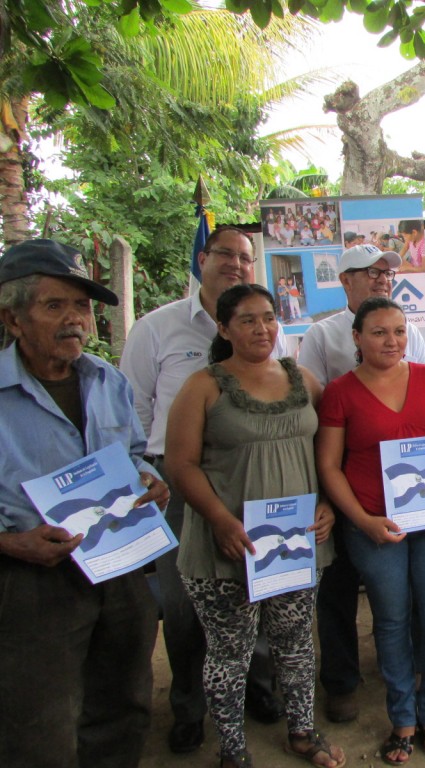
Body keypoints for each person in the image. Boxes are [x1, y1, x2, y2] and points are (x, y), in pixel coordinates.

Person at [0, 238, 170, 768]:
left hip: (120, 568)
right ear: (13, 319)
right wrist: (11, 542)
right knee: (38, 721)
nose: (75, 319)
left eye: (81, 306)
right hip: (34, 579)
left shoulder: (107, 381)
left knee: (124, 702)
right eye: (55, 306)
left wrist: (149, 480)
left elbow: (136, 456)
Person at [164, 284, 344, 768]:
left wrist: (328, 501)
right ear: (224, 328)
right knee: (230, 654)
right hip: (227, 545)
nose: (261, 328)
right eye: (247, 320)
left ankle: (302, 733)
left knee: (295, 644)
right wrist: (221, 520)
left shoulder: (303, 379)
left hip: (295, 544)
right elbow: (180, 465)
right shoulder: (204, 386)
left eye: (268, 317)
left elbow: (330, 452)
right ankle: (232, 750)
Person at [121, 226, 285, 753]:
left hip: (253, 479)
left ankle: (258, 690)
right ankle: (190, 706)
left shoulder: (267, 331)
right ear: (201, 258)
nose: (236, 263)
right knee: (187, 602)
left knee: (257, 589)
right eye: (225, 254)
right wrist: (152, 465)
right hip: (178, 486)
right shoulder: (157, 328)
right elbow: (133, 410)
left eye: (245, 256)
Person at [317, 297, 425, 765]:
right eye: (379, 332)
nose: (392, 340)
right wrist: (362, 522)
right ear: (357, 339)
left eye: (399, 330)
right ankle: (403, 719)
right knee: (393, 621)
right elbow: (328, 466)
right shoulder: (341, 391)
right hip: (375, 525)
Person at [298, 244, 425, 724]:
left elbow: (422, 403)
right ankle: (341, 683)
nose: (381, 278)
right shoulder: (319, 335)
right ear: (345, 280)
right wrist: (324, 493)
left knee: (406, 590)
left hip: (406, 486)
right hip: (342, 481)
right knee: (336, 590)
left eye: (387, 273)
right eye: (370, 272)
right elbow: (310, 411)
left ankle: (408, 674)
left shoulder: (410, 331)